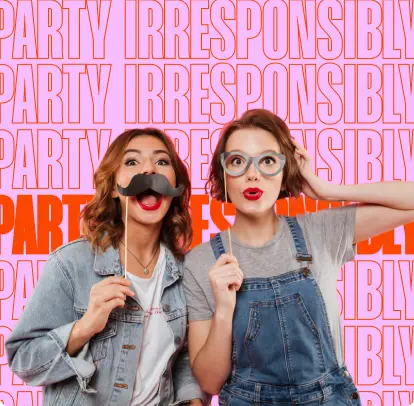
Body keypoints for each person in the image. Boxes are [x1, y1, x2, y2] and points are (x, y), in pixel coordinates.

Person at [183, 109, 414, 405]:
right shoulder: (200, 263)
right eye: (237, 161)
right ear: (224, 175)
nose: (252, 174)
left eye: (267, 161)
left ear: (284, 173)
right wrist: (224, 310)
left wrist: (329, 191)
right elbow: (210, 382)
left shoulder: (320, 232)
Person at [6, 128, 206, 405]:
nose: (149, 170)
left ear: (176, 185)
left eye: (161, 161)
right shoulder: (71, 264)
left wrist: (192, 400)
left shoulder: (185, 272)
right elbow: (22, 360)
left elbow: (181, 357)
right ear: (114, 187)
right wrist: (85, 327)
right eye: (132, 162)